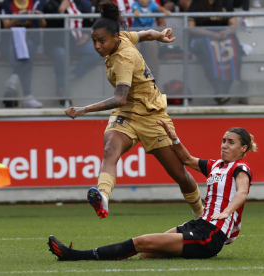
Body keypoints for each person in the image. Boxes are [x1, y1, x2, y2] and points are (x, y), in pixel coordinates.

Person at [65, 1, 204, 220]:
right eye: (94, 41)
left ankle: (202, 214)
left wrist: (83, 110)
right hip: (127, 115)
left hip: (151, 116)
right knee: (110, 150)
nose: (97, 46)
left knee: (179, 174)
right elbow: (145, 34)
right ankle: (102, 196)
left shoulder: (124, 59)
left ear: (115, 38)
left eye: (101, 41)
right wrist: (159, 34)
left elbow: (120, 98)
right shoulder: (124, 37)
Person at [49, 125, 256, 261]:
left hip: (210, 234)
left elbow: (242, 193)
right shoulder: (215, 165)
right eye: (223, 140)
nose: (225, 145)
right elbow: (186, 159)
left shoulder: (241, 168)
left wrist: (227, 211)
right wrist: (174, 138)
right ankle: (186, 250)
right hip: (198, 225)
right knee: (147, 254)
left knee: (141, 242)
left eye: (231, 142)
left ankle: (73, 255)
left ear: (243, 148)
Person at [43, 0, 102, 105]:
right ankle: (62, 90)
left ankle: (73, 75)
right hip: (56, 44)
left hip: (76, 43)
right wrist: (61, 9)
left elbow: (89, 21)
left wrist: (86, 35)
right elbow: (50, 23)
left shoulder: (77, 3)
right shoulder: (50, 4)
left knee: (95, 50)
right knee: (61, 54)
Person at [187, 0, 242, 105]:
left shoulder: (226, 3)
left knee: (235, 52)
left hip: (223, 37)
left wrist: (225, 32)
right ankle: (218, 91)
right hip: (203, 37)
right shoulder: (195, 3)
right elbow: (191, 27)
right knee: (209, 55)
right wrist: (211, 34)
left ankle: (225, 91)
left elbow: (233, 24)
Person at [0, 0, 46, 108]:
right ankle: (27, 97)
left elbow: (43, 24)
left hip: (30, 43)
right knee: (27, 59)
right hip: (10, 44)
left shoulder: (35, 3)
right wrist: (18, 17)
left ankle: (14, 77)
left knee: (28, 50)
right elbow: (6, 25)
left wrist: (39, 17)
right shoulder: (6, 4)